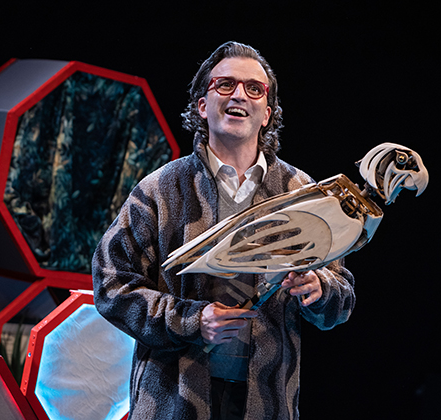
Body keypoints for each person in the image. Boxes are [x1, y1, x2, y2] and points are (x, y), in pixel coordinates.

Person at [92, 41, 355, 420]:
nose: (239, 96)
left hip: (266, 404)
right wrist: (192, 320)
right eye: (225, 84)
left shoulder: (301, 194)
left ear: (267, 113)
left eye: (254, 88)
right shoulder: (161, 189)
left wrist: (320, 288)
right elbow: (110, 283)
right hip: (172, 400)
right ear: (202, 106)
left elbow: (341, 300)